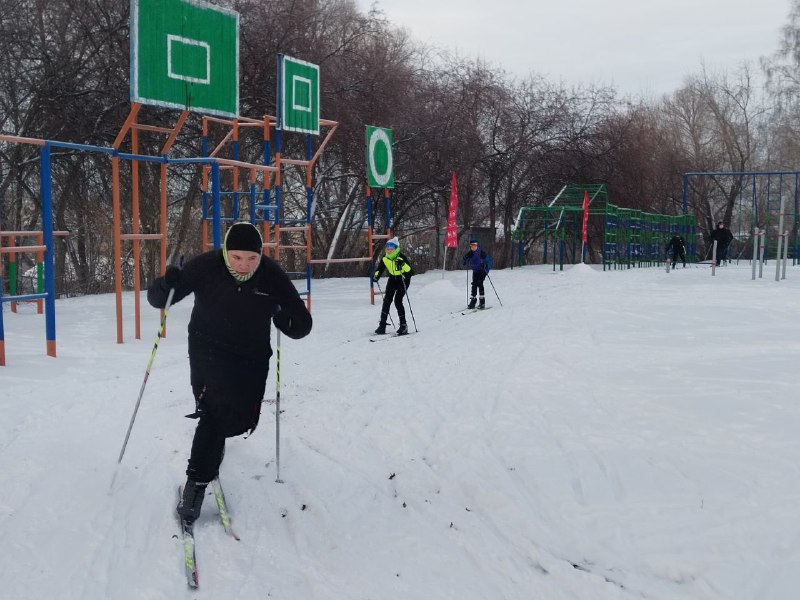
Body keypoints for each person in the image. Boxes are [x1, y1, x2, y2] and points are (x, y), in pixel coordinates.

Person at [147, 221, 312, 525]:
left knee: (238, 420)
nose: (244, 265)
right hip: (208, 348)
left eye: (251, 258)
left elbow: (302, 325)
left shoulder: (271, 274)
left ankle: (212, 450)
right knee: (214, 411)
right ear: (225, 252)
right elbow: (159, 300)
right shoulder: (206, 266)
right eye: (236, 257)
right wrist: (166, 283)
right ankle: (196, 484)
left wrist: (286, 319)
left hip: (251, 355)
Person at [373, 236, 413, 335]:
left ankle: (403, 326)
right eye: (387, 249)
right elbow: (380, 268)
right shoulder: (385, 257)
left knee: (397, 301)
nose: (389, 251)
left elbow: (410, 272)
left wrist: (402, 264)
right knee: (387, 300)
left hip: (403, 279)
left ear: (396, 249)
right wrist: (376, 275)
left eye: (391, 249)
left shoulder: (401, 257)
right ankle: (382, 326)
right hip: (392, 279)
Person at [461, 239, 493, 309]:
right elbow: (463, 261)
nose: (473, 247)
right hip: (475, 271)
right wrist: (464, 260)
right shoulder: (470, 253)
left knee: (480, 283)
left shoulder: (482, 253)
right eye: (471, 245)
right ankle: (473, 301)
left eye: (474, 245)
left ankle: (482, 302)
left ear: (477, 245)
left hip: (483, 271)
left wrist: (486, 265)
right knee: (474, 284)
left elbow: (489, 262)